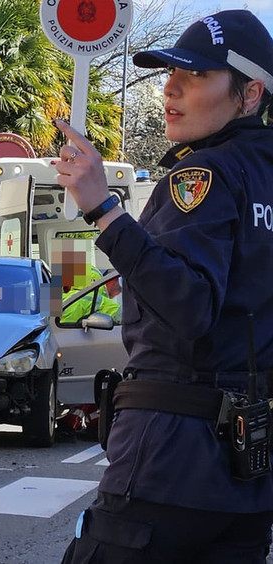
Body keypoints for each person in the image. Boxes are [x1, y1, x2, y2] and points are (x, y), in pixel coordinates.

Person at [54, 10, 273, 561]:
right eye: (170, 73)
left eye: (197, 76)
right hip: (249, 470)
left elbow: (189, 305)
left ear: (251, 93)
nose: (170, 88)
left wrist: (104, 210)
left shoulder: (202, 174)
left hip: (170, 452)